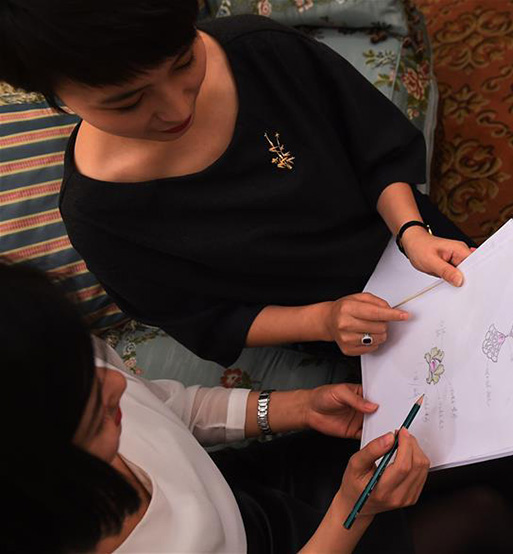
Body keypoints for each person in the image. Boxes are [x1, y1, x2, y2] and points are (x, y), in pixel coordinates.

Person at [0, 0, 474, 366]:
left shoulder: (262, 50)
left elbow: (373, 145)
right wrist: (326, 320)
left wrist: (411, 232)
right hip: (337, 322)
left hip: (406, 237)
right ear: (53, 96)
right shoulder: (99, 216)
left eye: (184, 62)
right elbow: (206, 319)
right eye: (128, 102)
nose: (178, 108)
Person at [0, 262, 431, 553]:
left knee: (441, 452)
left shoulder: (39, 358)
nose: (115, 382)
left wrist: (300, 408)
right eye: (88, 403)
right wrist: (353, 512)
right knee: (464, 516)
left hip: (238, 492)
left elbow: (166, 408)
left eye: (92, 359)